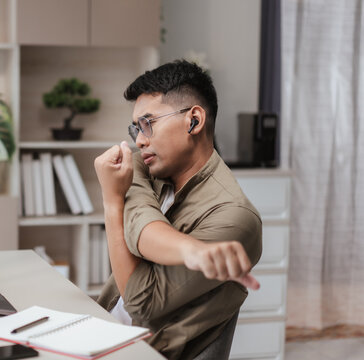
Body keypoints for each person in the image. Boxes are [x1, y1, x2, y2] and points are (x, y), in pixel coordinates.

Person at [94, 59, 262, 360]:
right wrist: (190, 249)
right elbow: (144, 233)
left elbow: (140, 301)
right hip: (101, 328)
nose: (140, 139)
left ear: (193, 120)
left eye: (148, 123)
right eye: (136, 128)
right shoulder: (145, 165)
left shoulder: (235, 217)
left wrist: (113, 201)